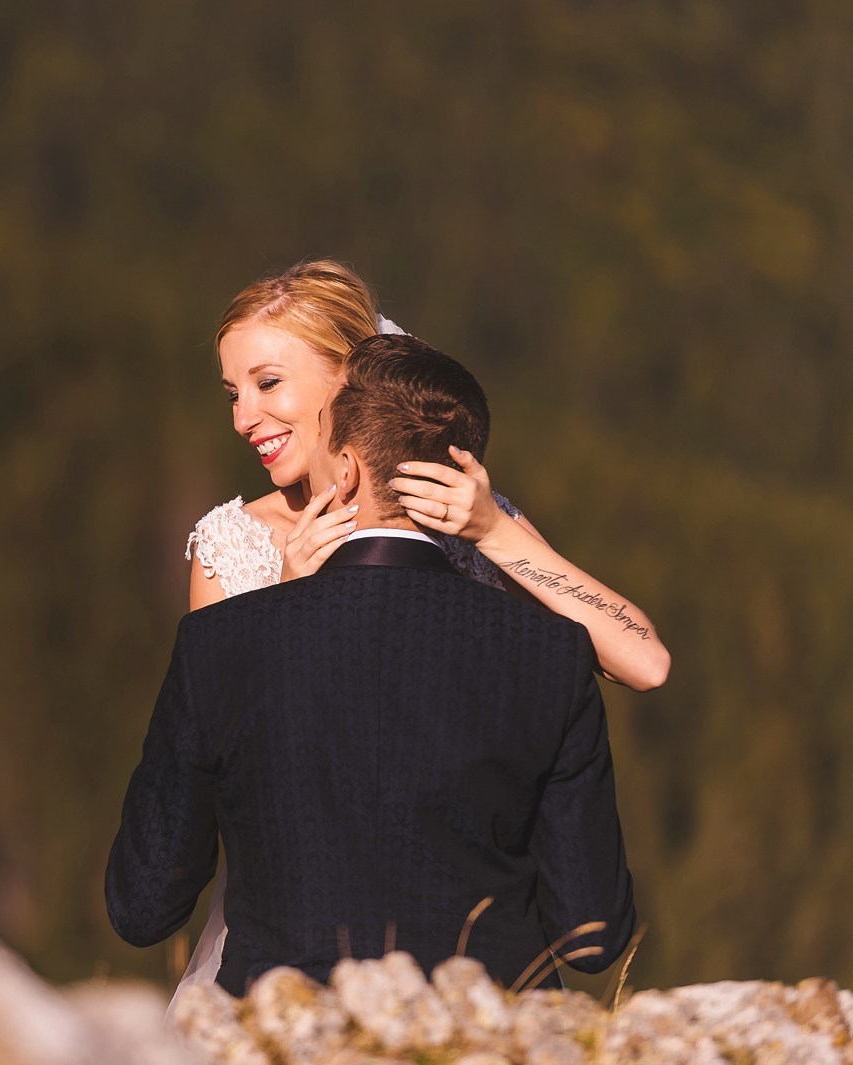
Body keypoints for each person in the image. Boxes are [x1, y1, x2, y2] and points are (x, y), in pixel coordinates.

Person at [172, 260, 667, 1001]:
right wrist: (286, 599)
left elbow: (645, 661)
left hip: (463, 942)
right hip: (289, 943)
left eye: (267, 383)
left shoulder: (462, 514)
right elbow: (209, 773)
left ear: (349, 381)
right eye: (233, 392)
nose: (244, 416)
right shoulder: (230, 547)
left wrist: (496, 532)